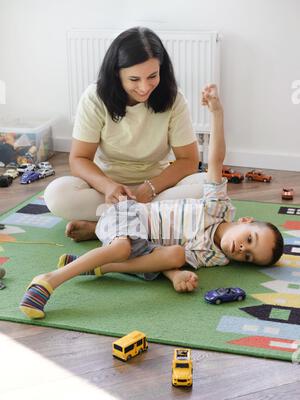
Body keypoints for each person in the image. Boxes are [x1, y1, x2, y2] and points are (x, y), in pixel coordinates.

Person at [19, 84, 284, 320]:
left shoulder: (215, 257)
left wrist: (175, 275)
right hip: (130, 211)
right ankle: (50, 280)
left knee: (177, 255)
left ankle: (95, 261)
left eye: (248, 257)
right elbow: (215, 161)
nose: (241, 249)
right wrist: (217, 113)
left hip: (144, 245)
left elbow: (163, 258)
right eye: (249, 239)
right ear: (245, 221)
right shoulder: (218, 207)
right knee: (124, 247)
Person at [44, 26, 206, 242]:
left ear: (162, 70)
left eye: (152, 76)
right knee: (57, 195)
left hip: (157, 189)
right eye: (134, 79)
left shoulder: (174, 100)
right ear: (116, 74)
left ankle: (101, 227)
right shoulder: (94, 98)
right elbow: (79, 159)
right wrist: (108, 186)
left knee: (209, 187)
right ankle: (148, 222)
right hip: (107, 192)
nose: (144, 87)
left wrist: (149, 188)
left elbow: (189, 160)